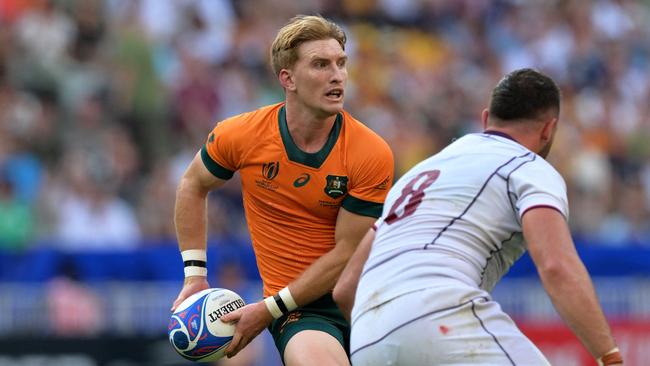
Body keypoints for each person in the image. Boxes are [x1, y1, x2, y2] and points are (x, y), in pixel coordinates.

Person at [333, 68, 623, 366]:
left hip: (367, 338)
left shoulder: (415, 176)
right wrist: (609, 356)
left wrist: (387, 333)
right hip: (438, 314)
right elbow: (556, 266)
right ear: (549, 129)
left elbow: (345, 289)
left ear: (486, 119)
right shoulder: (528, 166)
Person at [171, 15, 394, 366]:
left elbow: (347, 253)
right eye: (321, 64)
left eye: (341, 63)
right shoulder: (240, 135)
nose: (337, 75)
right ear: (287, 78)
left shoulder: (370, 151)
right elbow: (192, 184)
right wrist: (195, 275)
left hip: (375, 297)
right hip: (301, 310)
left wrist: (265, 309)